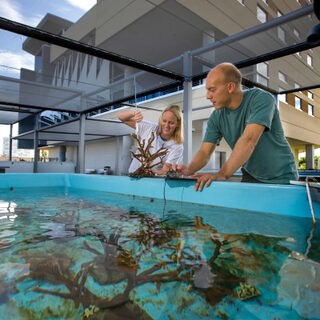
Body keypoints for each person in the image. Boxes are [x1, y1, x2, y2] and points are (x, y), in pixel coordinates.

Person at [175, 62, 298, 191]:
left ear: (230, 87)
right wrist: (187, 170)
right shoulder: (216, 116)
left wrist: (222, 174)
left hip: (282, 176)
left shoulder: (261, 99)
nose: (208, 96)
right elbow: (205, 151)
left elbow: (249, 140)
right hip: (251, 174)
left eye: (212, 90)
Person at [117, 104, 184, 175]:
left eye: (171, 123)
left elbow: (164, 171)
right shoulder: (149, 128)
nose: (166, 125)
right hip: (133, 175)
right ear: (161, 120)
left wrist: (146, 173)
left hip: (152, 180)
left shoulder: (177, 147)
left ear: (178, 124)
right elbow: (121, 117)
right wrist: (134, 113)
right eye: (164, 121)